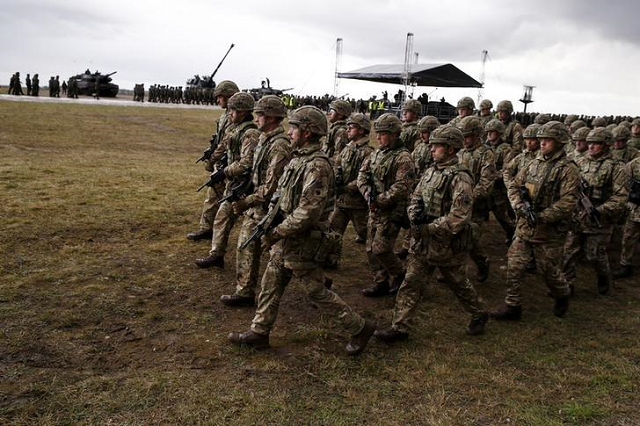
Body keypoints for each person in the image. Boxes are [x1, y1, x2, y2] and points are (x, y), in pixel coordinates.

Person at [228, 106, 375, 356]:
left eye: (294, 128)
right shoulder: (298, 159)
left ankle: (359, 327)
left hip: (302, 240)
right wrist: (270, 221)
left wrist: (277, 232)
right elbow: (281, 196)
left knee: (315, 290)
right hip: (287, 238)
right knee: (271, 283)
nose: (290, 131)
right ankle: (259, 332)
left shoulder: (317, 166)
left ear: (307, 132)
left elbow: (309, 211)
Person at [374, 124, 489, 342]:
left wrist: (430, 228)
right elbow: (415, 196)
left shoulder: (460, 178)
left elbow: (459, 216)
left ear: (451, 149)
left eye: (437, 146)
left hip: (446, 244)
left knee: (458, 283)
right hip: (423, 241)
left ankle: (478, 313)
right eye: (432, 146)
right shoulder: (431, 171)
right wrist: (414, 214)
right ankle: (400, 327)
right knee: (411, 283)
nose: (432, 150)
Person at [492, 121, 579, 320]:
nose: (542, 144)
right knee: (514, 266)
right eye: (541, 140)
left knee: (548, 271)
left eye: (548, 140)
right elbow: (514, 185)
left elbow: (569, 201)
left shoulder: (567, 169)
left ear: (559, 142)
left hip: (549, 230)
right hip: (525, 226)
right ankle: (512, 306)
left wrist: (543, 216)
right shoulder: (533, 163)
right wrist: (518, 205)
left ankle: (562, 293)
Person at [220, 96, 292, 306]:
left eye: (260, 114)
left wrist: (246, 201)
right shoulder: (264, 139)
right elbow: (256, 174)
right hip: (258, 206)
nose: (256, 118)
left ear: (270, 118)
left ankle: (319, 283)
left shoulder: (278, 146)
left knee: (285, 258)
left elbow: (271, 188)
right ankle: (244, 292)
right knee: (247, 246)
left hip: (270, 209)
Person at [196, 92, 260, 268]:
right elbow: (223, 146)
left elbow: (247, 162)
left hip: (246, 186)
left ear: (242, 111)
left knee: (263, 233)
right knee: (222, 216)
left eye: (233, 110)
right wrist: (212, 160)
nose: (230, 113)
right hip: (235, 183)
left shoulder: (250, 133)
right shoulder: (235, 129)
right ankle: (216, 255)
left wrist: (224, 172)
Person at [562, 128, 628, 295]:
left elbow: (620, 197)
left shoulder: (617, 167)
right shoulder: (579, 162)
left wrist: (600, 210)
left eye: (596, 143)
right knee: (569, 251)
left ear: (606, 145)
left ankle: (604, 278)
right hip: (578, 215)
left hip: (600, 218)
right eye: (589, 143)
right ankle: (567, 284)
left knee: (595, 254)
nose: (591, 147)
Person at [357, 113, 415, 297]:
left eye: (382, 133)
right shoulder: (377, 154)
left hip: (392, 210)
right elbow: (362, 175)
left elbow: (402, 187)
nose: (378, 137)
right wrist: (367, 194)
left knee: (381, 248)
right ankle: (380, 281)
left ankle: (399, 273)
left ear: (393, 134)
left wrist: (380, 200)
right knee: (370, 248)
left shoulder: (403, 157)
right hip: (374, 207)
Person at [186, 80, 239, 242]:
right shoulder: (225, 115)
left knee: (228, 204)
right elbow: (219, 139)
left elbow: (225, 143)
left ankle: (218, 240)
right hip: (222, 162)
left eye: (220, 97)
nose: (218, 100)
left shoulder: (235, 114)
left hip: (229, 164)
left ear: (229, 97)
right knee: (212, 197)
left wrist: (213, 159)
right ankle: (206, 229)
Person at [456, 116, 496, 282]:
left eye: (468, 136)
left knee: (470, 239)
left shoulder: (486, 154)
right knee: (455, 235)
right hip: (457, 203)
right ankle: (455, 270)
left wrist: (468, 197)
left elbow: (486, 182)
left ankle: (482, 262)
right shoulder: (460, 152)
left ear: (477, 135)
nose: (465, 140)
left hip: (476, 206)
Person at [329, 113, 374, 249]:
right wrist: (336, 176)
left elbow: (365, 178)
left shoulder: (368, 152)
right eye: (348, 126)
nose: (348, 129)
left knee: (365, 231)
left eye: (352, 127)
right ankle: (331, 258)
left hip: (358, 203)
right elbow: (337, 163)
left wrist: (346, 187)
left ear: (361, 130)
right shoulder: (347, 148)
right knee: (333, 231)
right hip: (342, 201)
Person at [485, 118, 516, 243]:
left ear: (499, 132)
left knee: (502, 217)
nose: (489, 134)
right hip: (485, 188)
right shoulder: (484, 147)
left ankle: (511, 233)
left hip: (498, 189)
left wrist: (492, 177)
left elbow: (507, 169)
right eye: (488, 132)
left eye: (492, 132)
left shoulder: (506, 149)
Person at [613, 156, 640, 279]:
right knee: (628, 237)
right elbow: (624, 185)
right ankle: (625, 265)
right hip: (635, 208)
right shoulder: (634, 164)